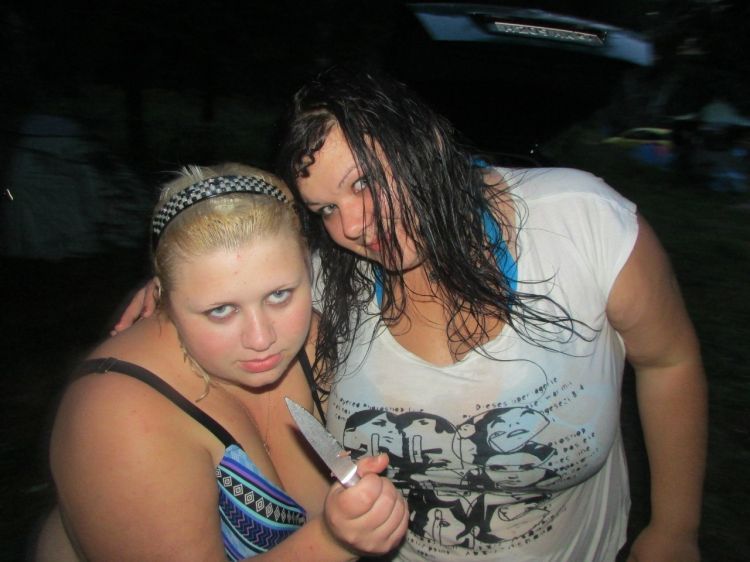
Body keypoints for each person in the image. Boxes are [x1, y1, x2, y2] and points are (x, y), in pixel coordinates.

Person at [114, 69, 708, 562]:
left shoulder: (581, 224)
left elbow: (670, 362)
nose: (351, 226)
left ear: (425, 143)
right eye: (325, 209)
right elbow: (241, 271)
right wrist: (172, 289)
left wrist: (674, 529)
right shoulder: (319, 283)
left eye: (363, 182)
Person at [35, 163, 408, 561]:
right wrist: (332, 542)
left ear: (308, 267)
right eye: (220, 310)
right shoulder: (115, 415)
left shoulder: (316, 338)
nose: (261, 339)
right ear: (164, 297)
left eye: (279, 295)